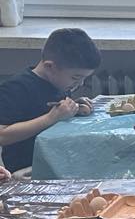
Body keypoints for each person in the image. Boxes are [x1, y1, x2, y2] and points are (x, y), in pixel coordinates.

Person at [0, 27, 98, 172]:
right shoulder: (16, 88)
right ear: (50, 66)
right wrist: (51, 118)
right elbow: (2, 135)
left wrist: (74, 108)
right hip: (25, 170)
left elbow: (48, 108)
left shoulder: (58, 82)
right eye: (75, 77)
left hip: (55, 161)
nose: (81, 84)